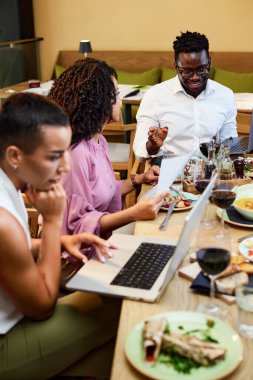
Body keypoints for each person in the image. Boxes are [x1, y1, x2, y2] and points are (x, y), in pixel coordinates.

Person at [0, 92, 121, 380]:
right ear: (15, 156)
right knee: (121, 305)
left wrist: (56, 242)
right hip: (6, 342)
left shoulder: (10, 182)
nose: (65, 166)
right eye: (55, 156)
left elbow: (10, 249)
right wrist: (53, 223)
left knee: (114, 354)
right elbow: (43, 306)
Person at [48, 58, 164, 244]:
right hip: (78, 254)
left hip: (101, 241)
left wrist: (139, 179)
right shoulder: (76, 154)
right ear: (99, 101)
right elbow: (76, 225)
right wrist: (133, 213)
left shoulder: (98, 140)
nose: (120, 101)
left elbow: (104, 192)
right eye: (117, 94)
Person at [133, 31, 238, 162]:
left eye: (202, 69)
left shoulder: (225, 95)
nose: (195, 77)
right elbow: (140, 154)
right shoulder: (155, 96)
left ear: (209, 63)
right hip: (169, 174)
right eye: (187, 71)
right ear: (176, 67)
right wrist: (153, 145)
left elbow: (230, 145)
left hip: (212, 173)